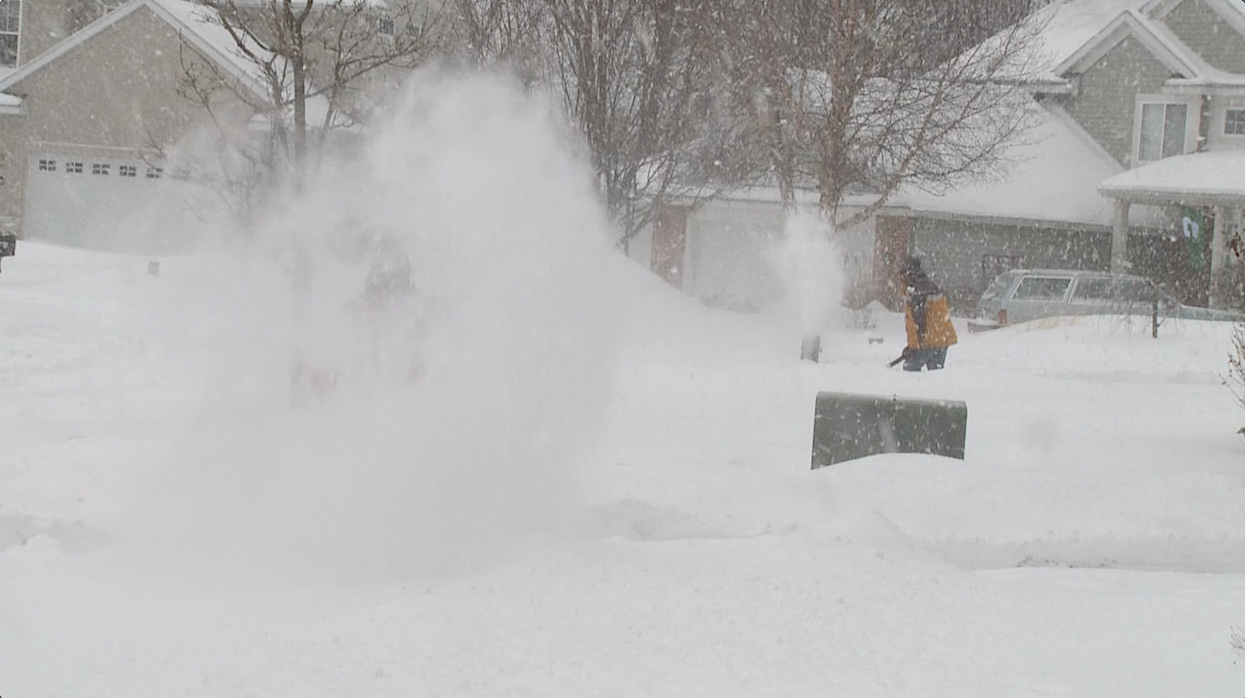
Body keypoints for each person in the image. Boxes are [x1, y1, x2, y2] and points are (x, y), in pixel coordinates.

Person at [899, 256, 957, 371]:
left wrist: (914, 348)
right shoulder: (926, 285)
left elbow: (919, 323)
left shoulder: (917, 291)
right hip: (942, 338)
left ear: (907, 274)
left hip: (930, 340)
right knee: (935, 374)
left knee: (910, 369)